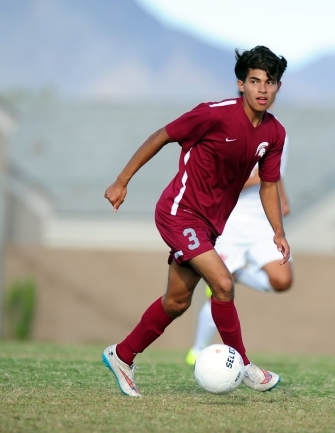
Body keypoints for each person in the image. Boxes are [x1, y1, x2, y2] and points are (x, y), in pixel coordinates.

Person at [102, 45, 289, 397]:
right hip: (179, 212)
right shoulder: (214, 115)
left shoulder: (274, 134)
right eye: (254, 81)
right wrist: (122, 180)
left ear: (278, 87)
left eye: (270, 82)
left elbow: (268, 185)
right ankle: (245, 366)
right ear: (240, 84)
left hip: (208, 226)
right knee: (222, 283)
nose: (262, 89)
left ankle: (122, 356)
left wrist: (278, 231)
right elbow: (161, 136)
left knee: (176, 302)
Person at [185, 133, 294, 366]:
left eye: (269, 92)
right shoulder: (227, 131)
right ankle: (197, 349)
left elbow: (275, 172)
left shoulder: (277, 131)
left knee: (282, 281)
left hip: (262, 222)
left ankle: (240, 274)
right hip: (230, 223)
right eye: (256, 92)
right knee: (220, 290)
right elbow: (219, 182)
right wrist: (258, 179)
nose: (263, 94)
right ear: (243, 93)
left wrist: (282, 196)